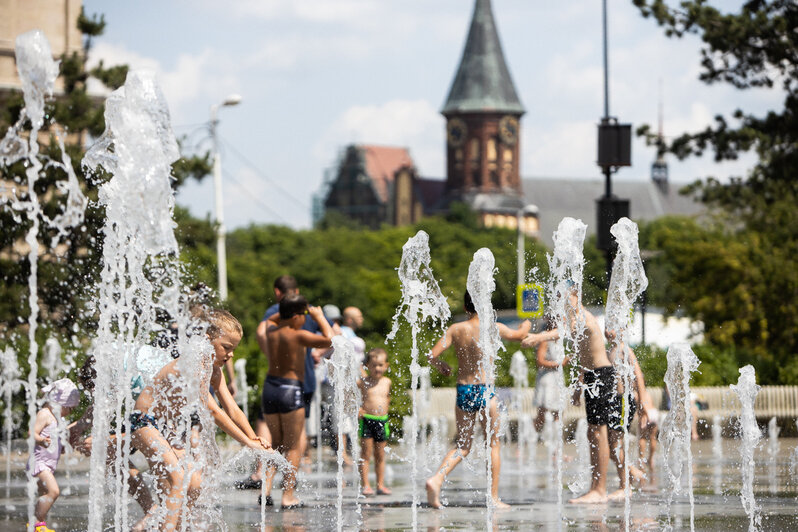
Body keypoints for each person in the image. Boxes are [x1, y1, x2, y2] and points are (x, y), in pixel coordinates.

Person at [130, 308, 270, 530]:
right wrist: (246, 443)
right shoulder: (192, 364)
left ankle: (172, 526)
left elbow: (232, 408)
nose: (231, 354)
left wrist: (254, 438)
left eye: (234, 349)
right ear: (207, 339)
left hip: (167, 428)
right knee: (177, 480)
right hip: (144, 422)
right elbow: (214, 412)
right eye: (226, 347)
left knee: (195, 483)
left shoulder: (214, 371)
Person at [425, 291, 558, 509]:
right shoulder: (493, 328)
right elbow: (519, 335)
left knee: (463, 445)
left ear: (467, 308)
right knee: (493, 445)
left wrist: (442, 366)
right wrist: (527, 322)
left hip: (464, 389)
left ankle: (437, 478)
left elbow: (432, 355)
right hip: (485, 391)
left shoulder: (456, 329)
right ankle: (493, 498)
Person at [567, 288, 645, 504]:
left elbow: (638, 376)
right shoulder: (609, 350)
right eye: (607, 326)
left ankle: (625, 485)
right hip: (615, 401)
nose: (608, 330)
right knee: (611, 444)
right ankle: (630, 476)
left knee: (615, 442)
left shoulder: (623, 350)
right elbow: (587, 364)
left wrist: (643, 402)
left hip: (623, 403)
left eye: (613, 327)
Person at [261, 294, 333, 508]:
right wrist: (319, 317)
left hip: (270, 389)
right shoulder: (299, 335)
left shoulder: (271, 331)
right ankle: (288, 496)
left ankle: (265, 489)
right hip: (290, 390)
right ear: (295, 317)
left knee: (275, 444)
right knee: (293, 446)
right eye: (303, 314)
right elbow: (329, 339)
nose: (306, 318)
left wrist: (288, 310)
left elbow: (271, 319)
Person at [28, 378, 80, 532]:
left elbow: (56, 439)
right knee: (53, 491)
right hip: (39, 463)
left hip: (48, 465)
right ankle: (37, 522)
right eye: (68, 408)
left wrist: (62, 447)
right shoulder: (44, 413)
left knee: (44, 496)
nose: (69, 412)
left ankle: (35, 526)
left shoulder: (57, 418)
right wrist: (41, 440)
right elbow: (32, 433)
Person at [357, 348, 392, 496]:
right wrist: (357, 408)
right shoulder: (363, 382)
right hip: (367, 420)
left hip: (382, 421)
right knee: (365, 454)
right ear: (367, 366)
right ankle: (365, 485)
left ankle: (380, 485)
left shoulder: (387, 382)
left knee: (380, 455)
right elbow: (349, 394)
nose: (377, 368)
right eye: (374, 365)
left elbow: (388, 397)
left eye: (380, 365)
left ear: (386, 366)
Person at [532, 316, 570, 433]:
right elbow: (540, 361)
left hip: (557, 378)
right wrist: (559, 364)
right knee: (543, 412)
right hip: (547, 379)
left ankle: (556, 448)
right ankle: (530, 437)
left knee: (559, 411)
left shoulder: (559, 337)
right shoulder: (545, 337)